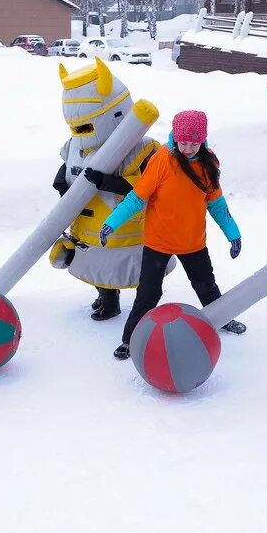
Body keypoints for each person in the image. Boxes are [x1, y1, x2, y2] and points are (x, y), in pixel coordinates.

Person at [99, 110, 246, 360]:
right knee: (148, 293)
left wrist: (233, 233)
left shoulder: (209, 163)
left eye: (194, 142)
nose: (188, 148)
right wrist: (111, 223)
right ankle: (130, 338)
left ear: (203, 140)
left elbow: (217, 204)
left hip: (193, 242)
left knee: (206, 286)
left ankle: (222, 319)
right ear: (175, 138)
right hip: (158, 242)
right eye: (183, 142)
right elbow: (136, 199)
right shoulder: (161, 161)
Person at [50, 59, 160, 321]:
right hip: (88, 226)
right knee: (98, 267)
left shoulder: (143, 148)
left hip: (125, 229)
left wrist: (109, 183)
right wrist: (63, 187)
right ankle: (106, 299)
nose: (81, 131)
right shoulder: (74, 145)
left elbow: (151, 185)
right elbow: (66, 168)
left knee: (127, 267)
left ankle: (137, 306)